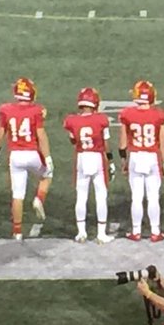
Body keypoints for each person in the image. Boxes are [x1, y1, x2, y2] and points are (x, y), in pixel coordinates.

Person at [0, 77, 53, 240]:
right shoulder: (37, 110)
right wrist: (47, 157)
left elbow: (0, 134)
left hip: (16, 156)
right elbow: (41, 135)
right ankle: (39, 198)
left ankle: (17, 231)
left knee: (17, 195)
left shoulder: (6, 109)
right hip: (32, 153)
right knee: (47, 176)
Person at [62, 87, 115, 244]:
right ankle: (101, 233)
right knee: (101, 196)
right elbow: (106, 144)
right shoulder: (101, 120)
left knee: (81, 196)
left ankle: (81, 233)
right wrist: (110, 161)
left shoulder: (72, 120)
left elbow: (73, 140)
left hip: (82, 157)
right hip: (97, 157)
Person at [120, 80, 164, 241]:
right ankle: (155, 232)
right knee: (153, 196)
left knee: (137, 196)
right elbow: (162, 143)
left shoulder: (127, 113)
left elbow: (122, 143)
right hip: (152, 156)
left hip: (135, 156)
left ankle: (136, 231)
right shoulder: (158, 114)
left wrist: (124, 160)